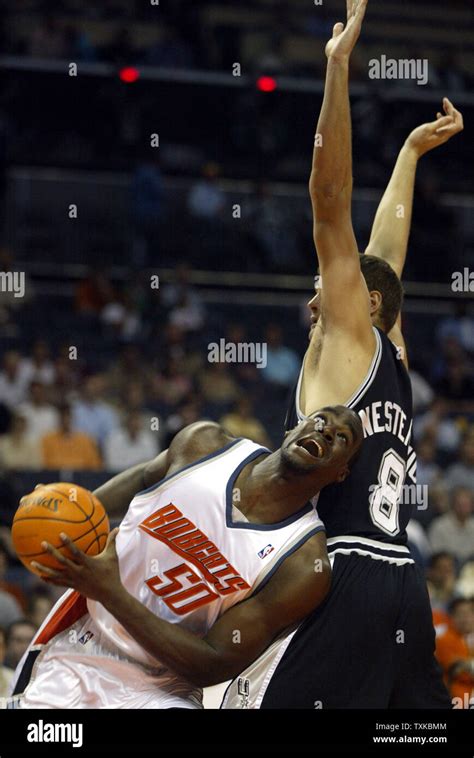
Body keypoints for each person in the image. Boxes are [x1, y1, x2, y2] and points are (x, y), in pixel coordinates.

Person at [224, 0, 463, 709]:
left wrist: (336, 68)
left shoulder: (350, 336)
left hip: (345, 569)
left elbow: (329, 200)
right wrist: (410, 156)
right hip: (405, 581)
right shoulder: (390, 349)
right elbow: (386, 255)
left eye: (325, 290)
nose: (313, 302)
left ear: (359, 304)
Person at [10, 406, 363, 709]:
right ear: (293, 428)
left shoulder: (302, 564)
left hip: (162, 687)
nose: (326, 430)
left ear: (342, 473)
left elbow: (213, 662)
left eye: (342, 437)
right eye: (320, 419)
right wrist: (68, 512)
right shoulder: (205, 443)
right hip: (82, 642)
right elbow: (145, 476)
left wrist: (110, 590)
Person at [435, 598, 474, 707]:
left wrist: (468, 665)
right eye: (460, 614)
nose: (465, 618)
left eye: (469, 613)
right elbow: (459, 672)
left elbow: (465, 667)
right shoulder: (443, 640)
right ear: (451, 617)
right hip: (456, 699)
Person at [41, 404, 101, 471]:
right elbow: (44, 465)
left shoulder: (85, 440)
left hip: (82, 479)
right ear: (58, 419)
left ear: (72, 418)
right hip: (53, 479)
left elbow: (94, 465)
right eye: (62, 417)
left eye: (68, 416)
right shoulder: (48, 440)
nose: (65, 420)